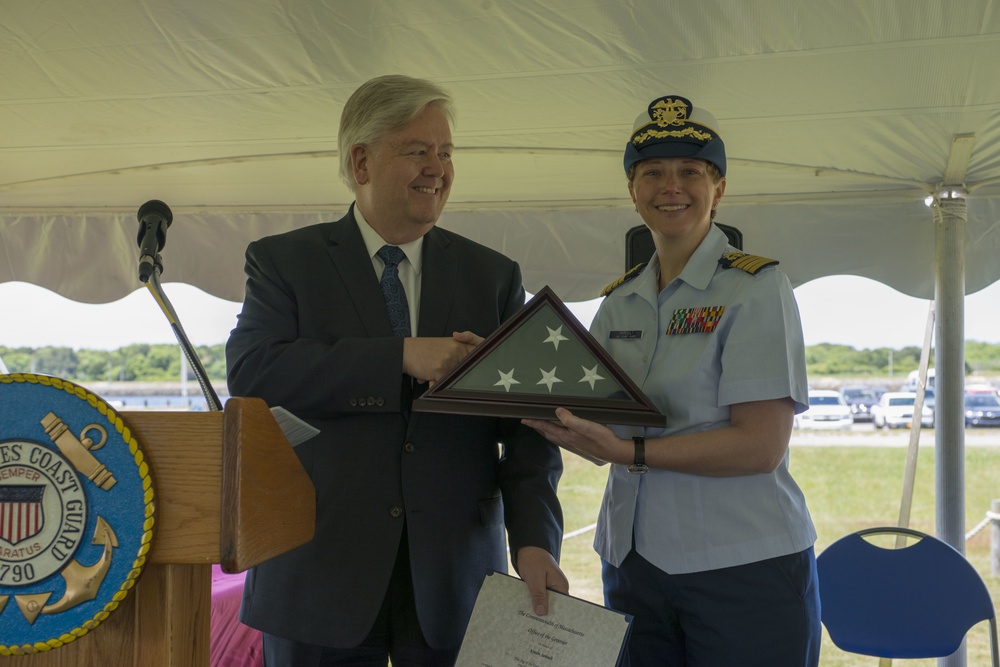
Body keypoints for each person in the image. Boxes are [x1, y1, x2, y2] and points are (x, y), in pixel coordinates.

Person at [226, 74, 567, 666]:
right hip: (316, 577)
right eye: (418, 151)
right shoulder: (285, 262)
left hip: (454, 586)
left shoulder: (493, 277)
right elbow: (254, 372)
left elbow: (529, 426)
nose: (438, 168)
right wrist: (401, 355)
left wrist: (535, 540)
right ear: (361, 161)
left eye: (446, 152)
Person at [524, 94, 821, 666]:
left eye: (691, 171)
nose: (671, 186)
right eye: (653, 172)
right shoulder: (620, 302)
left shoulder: (755, 288)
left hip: (742, 567)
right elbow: (595, 419)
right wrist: (496, 374)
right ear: (633, 190)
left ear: (719, 188)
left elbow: (760, 445)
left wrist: (629, 452)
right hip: (635, 567)